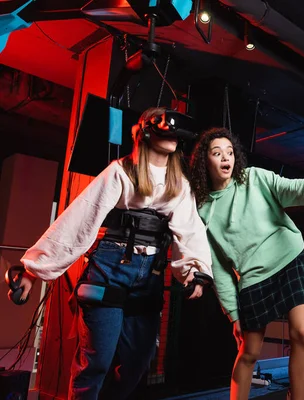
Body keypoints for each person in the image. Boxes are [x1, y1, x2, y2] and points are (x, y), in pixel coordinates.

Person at [12, 107, 213, 400]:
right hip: (110, 268)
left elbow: (190, 229)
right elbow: (80, 218)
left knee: (136, 365)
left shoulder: (179, 183)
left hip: (149, 276)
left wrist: (194, 270)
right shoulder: (120, 171)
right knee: (97, 363)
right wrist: (34, 270)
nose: (173, 139)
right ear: (145, 133)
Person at [188, 127, 304, 400]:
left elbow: (292, 188)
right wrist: (233, 313)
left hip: (290, 260)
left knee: (302, 333)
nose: (225, 158)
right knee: (250, 351)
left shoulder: (254, 178)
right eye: (217, 153)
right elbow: (218, 268)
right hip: (253, 279)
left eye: (229, 152)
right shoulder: (203, 210)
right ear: (204, 162)